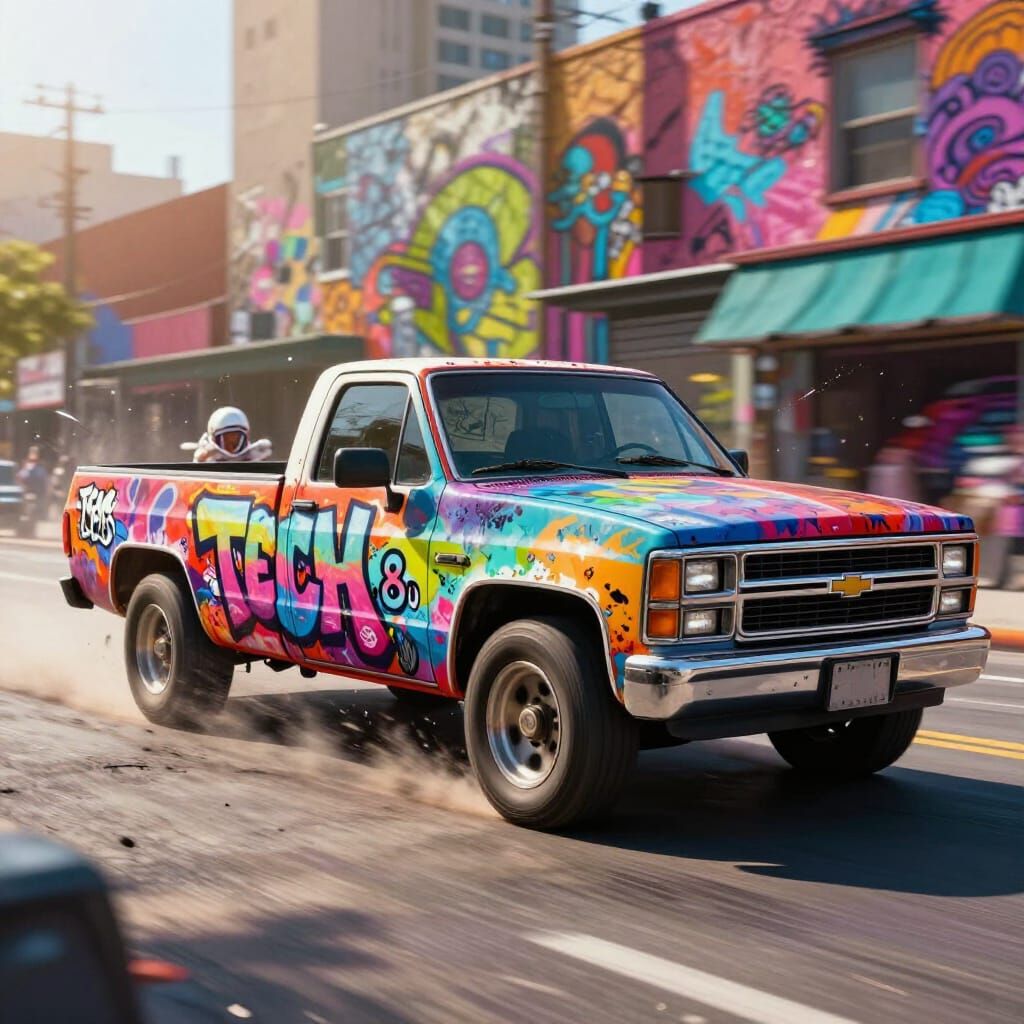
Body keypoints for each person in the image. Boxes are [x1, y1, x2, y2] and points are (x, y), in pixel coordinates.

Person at [192, 407, 273, 464]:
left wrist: (261, 464)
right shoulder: (206, 459)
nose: (231, 448)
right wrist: (200, 462)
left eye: (236, 443)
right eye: (226, 442)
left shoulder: (255, 457)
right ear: (214, 439)